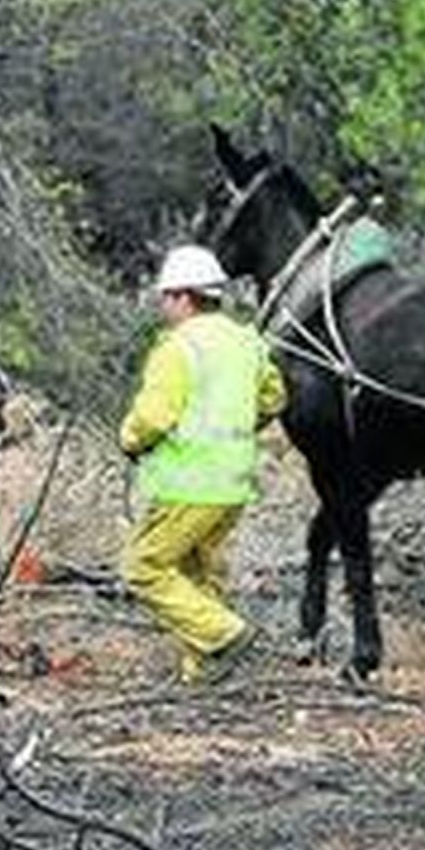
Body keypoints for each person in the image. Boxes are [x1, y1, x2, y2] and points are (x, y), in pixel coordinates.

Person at [119, 244, 287, 684]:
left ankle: (225, 634)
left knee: (144, 568)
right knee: (200, 574)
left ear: (183, 297)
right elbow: (274, 399)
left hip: (187, 484)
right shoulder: (248, 342)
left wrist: (129, 440)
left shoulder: (178, 347)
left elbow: (152, 418)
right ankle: (202, 674)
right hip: (234, 484)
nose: (162, 306)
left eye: (166, 297)